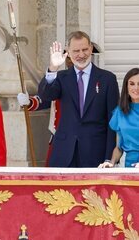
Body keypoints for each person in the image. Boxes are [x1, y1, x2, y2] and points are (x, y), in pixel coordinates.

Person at [38, 31, 120, 167]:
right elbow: (46, 95)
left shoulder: (107, 79)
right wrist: (53, 68)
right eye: (76, 51)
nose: (81, 55)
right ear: (68, 52)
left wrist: (108, 158)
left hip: (95, 153)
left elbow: (112, 121)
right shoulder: (61, 77)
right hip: (64, 153)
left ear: (91, 49)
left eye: (85, 49)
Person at [98, 68, 139, 168]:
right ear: (126, 86)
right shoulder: (120, 112)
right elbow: (119, 147)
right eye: (132, 84)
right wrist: (111, 163)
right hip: (127, 168)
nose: (136, 88)